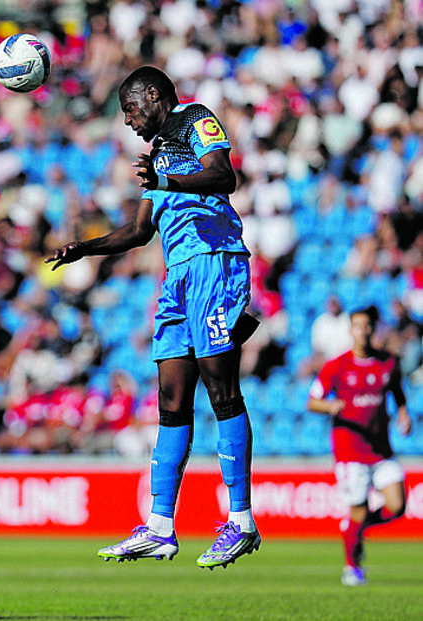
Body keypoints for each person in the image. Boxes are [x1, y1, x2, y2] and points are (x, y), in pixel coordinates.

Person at [46, 66, 261, 569]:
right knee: (171, 395)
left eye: (131, 108)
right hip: (178, 274)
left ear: (156, 97)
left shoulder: (195, 120)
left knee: (220, 386)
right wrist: (86, 248)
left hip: (214, 258)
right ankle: (161, 526)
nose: (126, 120)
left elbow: (225, 176)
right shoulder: (160, 153)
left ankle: (242, 521)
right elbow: (143, 229)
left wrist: (168, 177)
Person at [307, 305, 412, 586]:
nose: (363, 331)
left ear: (372, 329)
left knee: (397, 506)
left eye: (367, 326)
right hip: (350, 451)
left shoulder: (388, 362)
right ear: (350, 329)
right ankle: (351, 568)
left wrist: (403, 412)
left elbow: (398, 392)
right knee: (359, 510)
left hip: (381, 450)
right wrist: (330, 405)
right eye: (358, 326)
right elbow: (312, 400)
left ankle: (355, 530)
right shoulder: (337, 366)